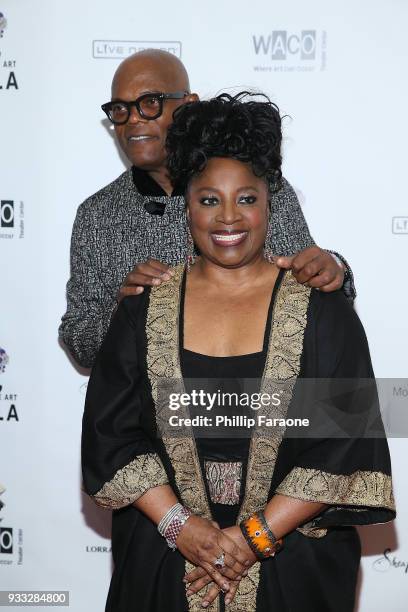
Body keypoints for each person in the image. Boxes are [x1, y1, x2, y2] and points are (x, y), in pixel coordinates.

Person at [81, 92, 394, 612]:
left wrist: (252, 538)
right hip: (163, 562)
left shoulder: (323, 310)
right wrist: (183, 528)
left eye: (246, 199)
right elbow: (110, 435)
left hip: (292, 566)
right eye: (209, 200)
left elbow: (344, 444)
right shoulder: (142, 308)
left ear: (271, 202)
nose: (229, 218)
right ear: (187, 206)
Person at [59, 49, 354, 369]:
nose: (133, 120)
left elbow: (314, 287)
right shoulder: (97, 216)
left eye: (150, 103)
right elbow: (80, 340)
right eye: (120, 109)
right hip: (151, 409)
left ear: (187, 105)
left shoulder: (263, 190)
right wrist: (123, 309)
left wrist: (334, 268)